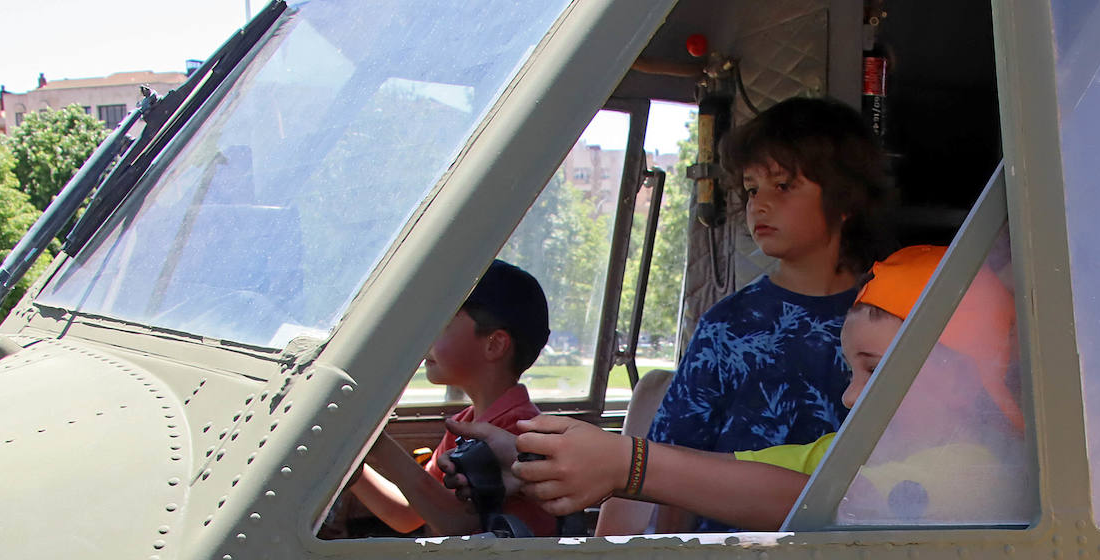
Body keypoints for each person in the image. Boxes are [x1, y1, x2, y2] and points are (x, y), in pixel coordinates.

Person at [449, 245, 1026, 532]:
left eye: (873, 370)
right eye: (851, 371)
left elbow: (805, 503)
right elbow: (737, 473)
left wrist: (628, 464)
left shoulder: (979, 474)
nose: (849, 398)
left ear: (956, 379)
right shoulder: (845, 455)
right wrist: (528, 461)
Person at [601, 95, 889, 534]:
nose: (759, 205)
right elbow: (671, 467)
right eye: (753, 189)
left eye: (783, 186)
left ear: (844, 199)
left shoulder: (890, 315)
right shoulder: (727, 327)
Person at [349, 259, 556, 536]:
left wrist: (375, 442)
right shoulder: (465, 424)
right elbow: (408, 515)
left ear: (494, 344)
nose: (427, 337)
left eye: (443, 323)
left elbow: (459, 525)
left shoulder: (520, 432)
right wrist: (351, 464)